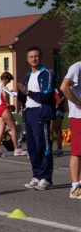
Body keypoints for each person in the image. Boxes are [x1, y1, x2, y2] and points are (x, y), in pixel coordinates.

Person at [17, 46, 56, 191]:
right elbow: (25, 96)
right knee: (32, 147)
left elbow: (46, 95)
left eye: (36, 56)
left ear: (40, 57)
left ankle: (46, 178)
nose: (34, 59)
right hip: (29, 113)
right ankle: (37, 175)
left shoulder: (47, 74)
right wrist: (20, 93)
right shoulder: (28, 76)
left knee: (43, 146)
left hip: (41, 113)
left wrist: (28, 92)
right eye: (31, 57)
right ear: (27, 59)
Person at [60, 58, 81, 199]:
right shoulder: (77, 67)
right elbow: (64, 86)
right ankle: (74, 187)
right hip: (78, 117)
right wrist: (77, 102)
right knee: (77, 152)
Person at [0, 72, 26, 157]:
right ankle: (16, 149)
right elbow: (4, 95)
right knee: (13, 128)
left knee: (1, 129)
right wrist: (7, 103)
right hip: (4, 108)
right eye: (9, 80)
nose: (9, 82)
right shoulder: (4, 85)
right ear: (7, 79)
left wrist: (10, 91)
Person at [51, 88, 65, 157]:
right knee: (49, 130)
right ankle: (49, 149)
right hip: (50, 110)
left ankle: (59, 149)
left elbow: (62, 97)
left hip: (58, 111)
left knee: (57, 130)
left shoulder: (56, 88)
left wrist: (58, 102)